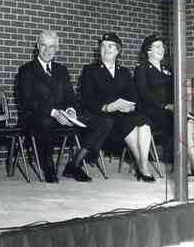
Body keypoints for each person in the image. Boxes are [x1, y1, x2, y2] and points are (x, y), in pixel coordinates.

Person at [17, 30, 113, 183]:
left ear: (57, 49)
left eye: (52, 47)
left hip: (64, 116)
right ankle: (48, 167)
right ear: (37, 46)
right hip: (37, 117)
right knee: (46, 122)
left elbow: (70, 97)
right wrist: (54, 113)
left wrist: (71, 110)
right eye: (43, 46)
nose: (47, 50)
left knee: (104, 122)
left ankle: (75, 164)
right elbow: (27, 101)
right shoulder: (26, 70)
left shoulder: (62, 70)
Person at [80, 33, 156, 182]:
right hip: (103, 116)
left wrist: (129, 106)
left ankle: (142, 164)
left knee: (144, 121)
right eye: (103, 46)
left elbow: (134, 97)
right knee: (128, 123)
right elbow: (86, 99)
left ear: (118, 50)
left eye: (110, 46)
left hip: (123, 113)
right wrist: (107, 107)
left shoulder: (124, 72)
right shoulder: (90, 70)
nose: (106, 49)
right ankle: (143, 168)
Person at [134, 34, 194, 171]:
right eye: (157, 47)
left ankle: (189, 163)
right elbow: (144, 94)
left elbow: (177, 90)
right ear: (148, 50)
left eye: (163, 47)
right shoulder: (141, 69)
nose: (162, 50)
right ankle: (186, 165)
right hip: (151, 112)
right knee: (182, 121)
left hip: (170, 110)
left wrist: (180, 105)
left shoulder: (168, 70)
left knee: (189, 121)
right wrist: (166, 106)